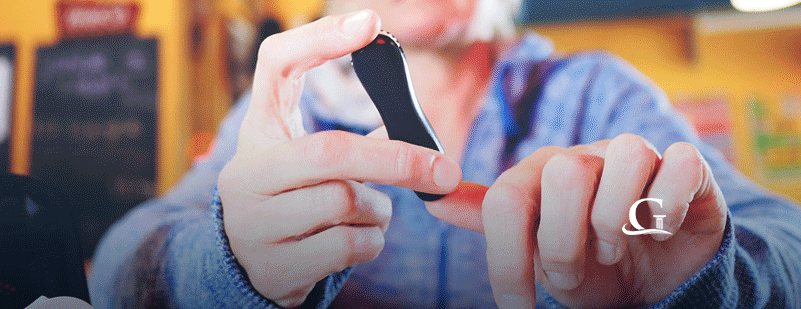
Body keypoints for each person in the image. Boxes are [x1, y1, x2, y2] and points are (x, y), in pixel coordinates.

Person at [89, 0, 801, 308]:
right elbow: (120, 264)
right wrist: (226, 263)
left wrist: (703, 275)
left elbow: (787, 246)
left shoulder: (598, 94)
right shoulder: (287, 114)